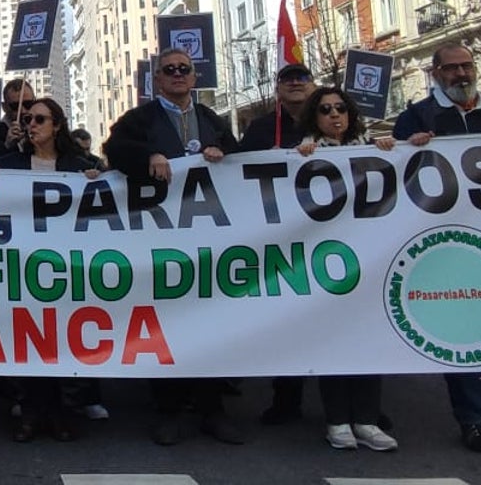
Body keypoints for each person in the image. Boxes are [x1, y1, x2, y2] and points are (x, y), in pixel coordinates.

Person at [103, 48, 242, 446]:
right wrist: (150, 154)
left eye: (185, 69)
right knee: (165, 326)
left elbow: (240, 154)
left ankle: (211, 409)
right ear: (157, 80)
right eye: (170, 70)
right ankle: (168, 410)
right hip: (160, 241)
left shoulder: (210, 118)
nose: (178, 75)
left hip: (208, 245)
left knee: (210, 326)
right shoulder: (139, 119)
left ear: (194, 77)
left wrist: (224, 152)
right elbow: (115, 149)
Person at [393, 44, 481, 454]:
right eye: (452, 68)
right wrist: (406, 147)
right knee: (463, 332)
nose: (461, 74)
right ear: (436, 73)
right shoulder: (417, 117)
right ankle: (474, 420)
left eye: (467, 66)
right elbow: (396, 168)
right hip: (448, 244)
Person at [0, 98, 99, 442]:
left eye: (40, 119)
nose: (32, 124)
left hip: (67, 269)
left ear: (57, 125)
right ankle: (30, 411)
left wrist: (95, 180)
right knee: (29, 340)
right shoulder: (9, 164)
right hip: (23, 267)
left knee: (61, 340)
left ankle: (62, 411)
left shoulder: (81, 166)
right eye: (28, 119)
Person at [297, 87, 399, 452]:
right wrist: (298, 158)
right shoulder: (301, 153)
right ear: (315, 117)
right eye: (325, 110)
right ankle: (337, 420)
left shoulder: (374, 146)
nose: (334, 116)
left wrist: (408, 147)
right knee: (334, 343)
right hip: (325, 265)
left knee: (368, 343)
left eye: (340, 108)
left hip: (370, 260)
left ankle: (367, 421)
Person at [238, 62, 318, 425]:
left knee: (343, 318)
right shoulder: (260, 128)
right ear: (278, 90)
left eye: (303, 78)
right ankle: (287, 400)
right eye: (288, 80)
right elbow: (237, 170)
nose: (296, 84)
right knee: (290, 323)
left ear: (313, 85)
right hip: (281, 238)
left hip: (333, 236)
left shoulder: (333, 116)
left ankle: (358, 406)